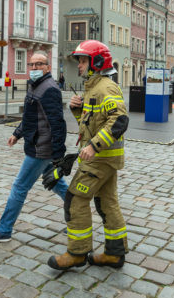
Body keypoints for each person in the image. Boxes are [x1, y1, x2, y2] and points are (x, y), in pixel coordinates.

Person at [47, 40, 129, 270]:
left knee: (75, 199)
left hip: (99, 159)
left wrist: (93, 146)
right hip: (104, 158)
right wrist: (77, 109)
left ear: (97, 62)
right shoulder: (94, 87)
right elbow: (94, 124)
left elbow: (119, 120)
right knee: (107, 203)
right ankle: (114, 254)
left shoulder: (105, 87)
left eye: (83, 60)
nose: (79, 65)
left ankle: (77, 253)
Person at [0, 50, 68, 242]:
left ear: (47, 67)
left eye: (39, 64)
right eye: (32, 65)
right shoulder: (35, 86)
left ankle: (4, 230)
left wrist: (58, 155)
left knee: (19, 186)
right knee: (59, 185)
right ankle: (79, 221)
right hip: (37, 144)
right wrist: (17, 134)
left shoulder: (49, 88)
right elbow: (30, 117)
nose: (35, 68)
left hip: (41, 148)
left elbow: (58, 124)